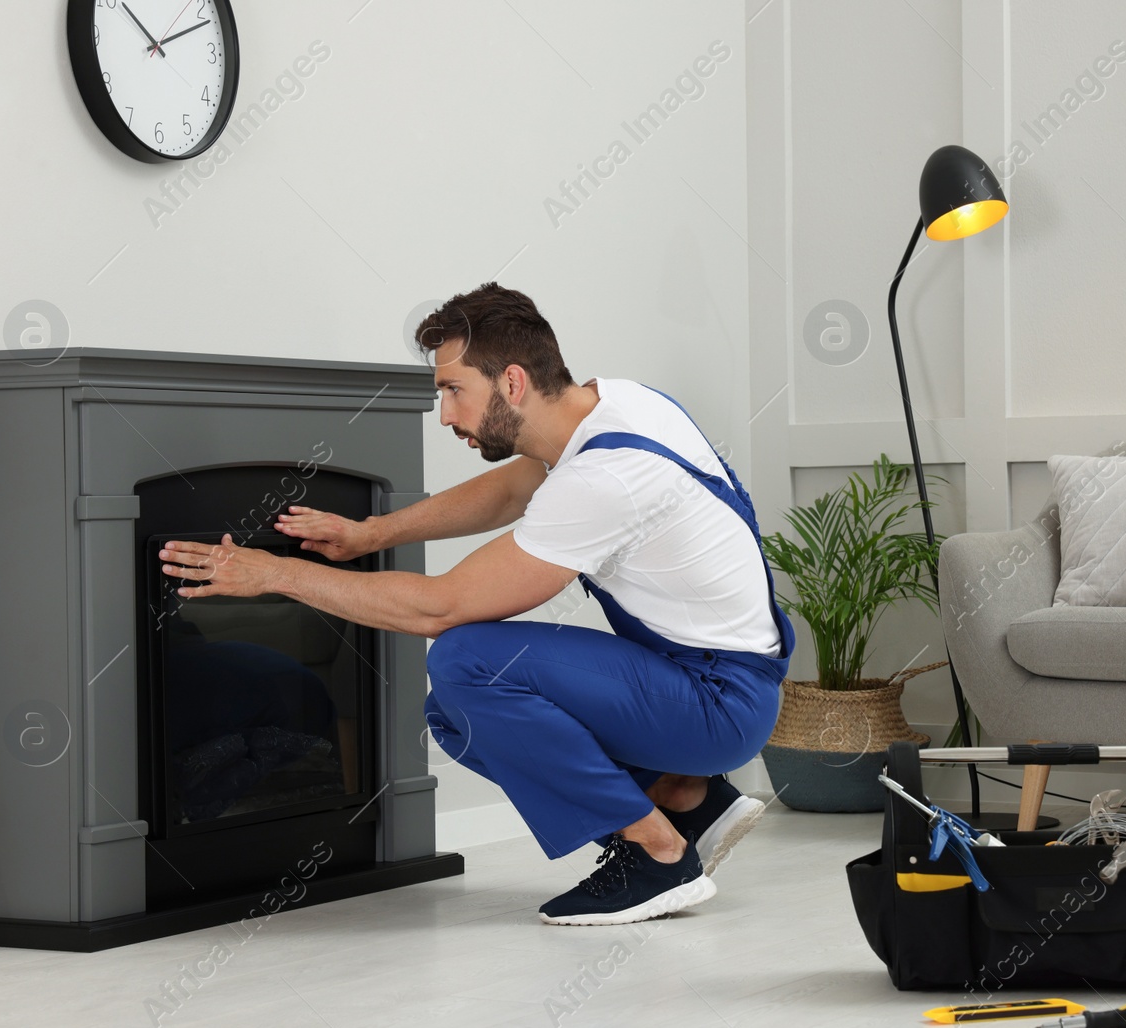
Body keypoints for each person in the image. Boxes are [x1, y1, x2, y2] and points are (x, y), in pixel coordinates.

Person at [155, 282, 794, 925]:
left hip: (717, 701)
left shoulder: (607, 480)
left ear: (512, 382)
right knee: (454, 716)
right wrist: (371, 533)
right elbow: (515, 488)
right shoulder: (614, 405)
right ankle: (683, 798)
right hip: (711, 676)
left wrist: (275, 574)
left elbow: (440, 609)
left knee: (465, 659)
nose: (445, 414)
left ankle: (657, 857)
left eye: (452, 390)